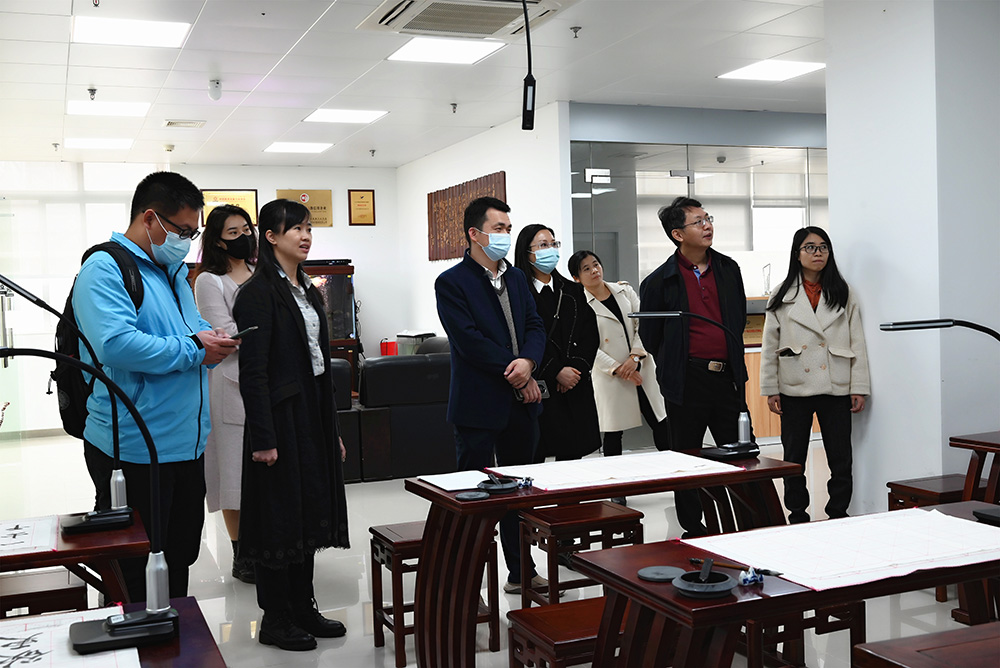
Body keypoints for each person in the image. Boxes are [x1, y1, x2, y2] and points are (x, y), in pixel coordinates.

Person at [74, 171, 238, 602]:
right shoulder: (105, 268)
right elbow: (116, 345)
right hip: (133, 447)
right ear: (149, 219)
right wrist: (195, 349)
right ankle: (136, 636)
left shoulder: (172, 271)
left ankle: (172, 632)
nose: (186, 241)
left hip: (186, 444)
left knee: (177, 556)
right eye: (181, 231)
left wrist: (212, 338)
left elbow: (192, 326)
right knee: (135, 566)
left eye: (192, 233)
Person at [233, 199, 350, 651]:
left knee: (307, 513)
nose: (305, 236)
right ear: (270, 236)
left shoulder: (308, 289)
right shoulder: (257, 293)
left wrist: (331, 430)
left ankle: (303, 607)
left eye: (308, 229)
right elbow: (254, 373)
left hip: (312, 413)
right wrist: (263, 437)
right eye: (295, 229)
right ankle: (276, 618)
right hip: (279, 419)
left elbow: (318, 364)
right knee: (278, 517)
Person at [435, 196, 548, 596]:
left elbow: (535, 326)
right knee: (474, 499)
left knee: (519, 495)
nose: (505, 236)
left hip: (521, 404)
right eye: (498, 229)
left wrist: (529, 363)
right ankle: (466, 582)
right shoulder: (452, 282)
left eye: (508, 229)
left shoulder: (515, 277)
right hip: (478, 404)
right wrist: (517, 372)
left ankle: (521, 572)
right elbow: (468, 341)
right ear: (475, 233)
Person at [639, 196, 748, 538]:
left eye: (708, 218)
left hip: (727, 378)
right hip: (686, 379)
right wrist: (676, 363)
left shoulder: (728, 269)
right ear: (677, 234)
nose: (707, 226)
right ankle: (693, 528)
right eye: (698, 222)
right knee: (685, 458)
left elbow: (738, 320)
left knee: (742, 453)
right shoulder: (659, 281)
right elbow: (651, 336)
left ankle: (748, 523)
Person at [760, 227, 870, 523]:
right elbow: (769, 345)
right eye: (809, 247)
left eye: (823, 247)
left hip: (836, 384)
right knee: (794, 458)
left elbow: (857, 341)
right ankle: (797, 515)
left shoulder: (843, 292)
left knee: (841, 458)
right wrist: (770, 388)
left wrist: (859, 386)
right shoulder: (782, 294)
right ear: (797, 254)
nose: (817, 252)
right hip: (794, 386)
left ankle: (838, 513)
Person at [193, 204, 257, 584]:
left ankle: (265, 543)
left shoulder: (262, 272)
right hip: (231, 381)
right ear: (217, 240)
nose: (242, 237)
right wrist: (268, 334)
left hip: (267, 381)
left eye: (246, 229)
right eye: (233, 233)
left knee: (265, 468)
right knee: (233, 470)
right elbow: (226, 333)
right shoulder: (210, 280)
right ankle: (240, 552)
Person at [569, 250, 670, 473]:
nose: (594, 270)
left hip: (641, 367)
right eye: (586, 269)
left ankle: (678, 476)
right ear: (576, 278)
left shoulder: (624, 291)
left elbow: (643, 323)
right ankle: (614, 482)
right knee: (614, 433)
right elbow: (586, 346)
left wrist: (635, 357)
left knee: (661, 423)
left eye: (596, 264)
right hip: (611, 376)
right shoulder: (578, 305)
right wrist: (618, 368)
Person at [513, 225, 601, 463]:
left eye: (553, 244)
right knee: (534, 456)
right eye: (543, 245)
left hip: (573, 386)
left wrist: (575, 369)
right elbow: (522, 337)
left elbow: (589, 333)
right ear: (527, 253)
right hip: (539, 386)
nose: (550, 250)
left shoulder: (572, 290)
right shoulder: (518, 293)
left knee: (572, 458)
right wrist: (556, 371)